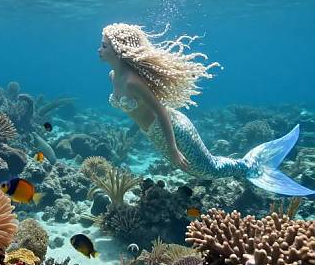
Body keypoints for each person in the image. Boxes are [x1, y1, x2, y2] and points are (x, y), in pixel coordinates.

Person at [99, 22, 314, 196]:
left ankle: (252, 166)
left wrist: (174, 149)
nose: (99, 50)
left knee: (208, 170)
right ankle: (251, 166)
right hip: (155, 135)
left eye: (104, 46)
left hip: (175, 130)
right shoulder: (113, 77)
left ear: (119, 50)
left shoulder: (131, 82)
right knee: (193, 170)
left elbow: (162, 112)